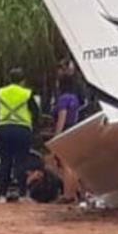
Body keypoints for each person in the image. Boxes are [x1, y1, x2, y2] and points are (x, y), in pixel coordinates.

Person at [0, 67, 39, 202]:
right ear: (23, 80)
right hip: (22, 129)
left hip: (4, 128)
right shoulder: (27, 93)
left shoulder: (0, 92)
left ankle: (2, 194)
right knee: (21, 161)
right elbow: (35, 111)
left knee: (5, 161)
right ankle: (22, 194)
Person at [51, 73, 82, 201]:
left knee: (65, 164)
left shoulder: (63, 99)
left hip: (65, 129)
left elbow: (62, 116)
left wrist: (57, 135)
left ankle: (67, 194)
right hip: (74, 129)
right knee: (72, 164)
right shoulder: (75, 98)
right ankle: (74, 192)